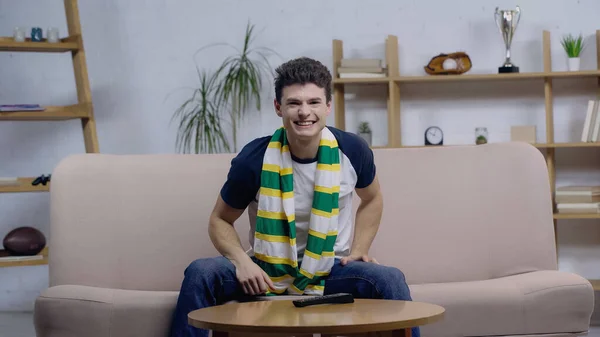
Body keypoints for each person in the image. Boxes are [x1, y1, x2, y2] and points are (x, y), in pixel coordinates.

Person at [169, 57, 418, 337]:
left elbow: (373, 198)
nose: (304, 112)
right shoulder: (254, 159)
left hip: (330, 270)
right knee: (200, 272)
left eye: (313, 102)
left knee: (390, 279)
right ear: (278, 107)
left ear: (327, 107)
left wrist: (360, 247)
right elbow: (219, 220)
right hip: (264, 270)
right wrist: (242, 261)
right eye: (293, 103)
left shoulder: (352, 150)